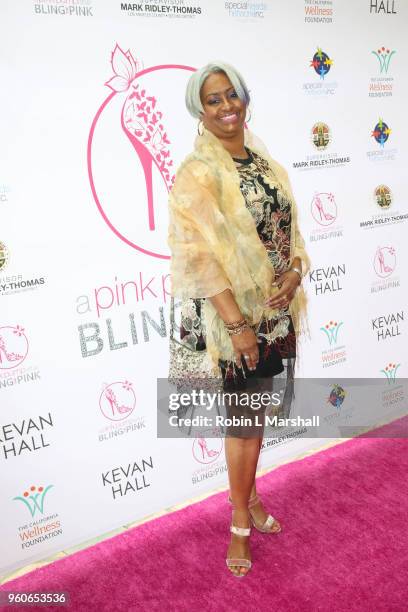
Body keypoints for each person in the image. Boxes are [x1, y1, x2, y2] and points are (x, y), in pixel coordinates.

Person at [168, 62, 310, 577]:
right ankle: (238, 526)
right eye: (214, 100)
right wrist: (237, 326)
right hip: (237, 324)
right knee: (245, 424)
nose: (227, 106)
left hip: (275, 315)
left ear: (245, 98)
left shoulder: (264, 162)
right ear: (199, 110)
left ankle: (250, 500)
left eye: (233, 95)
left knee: (256, 419)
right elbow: (197, 258)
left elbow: (288, 229)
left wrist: (295, 271)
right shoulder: (197, 172)